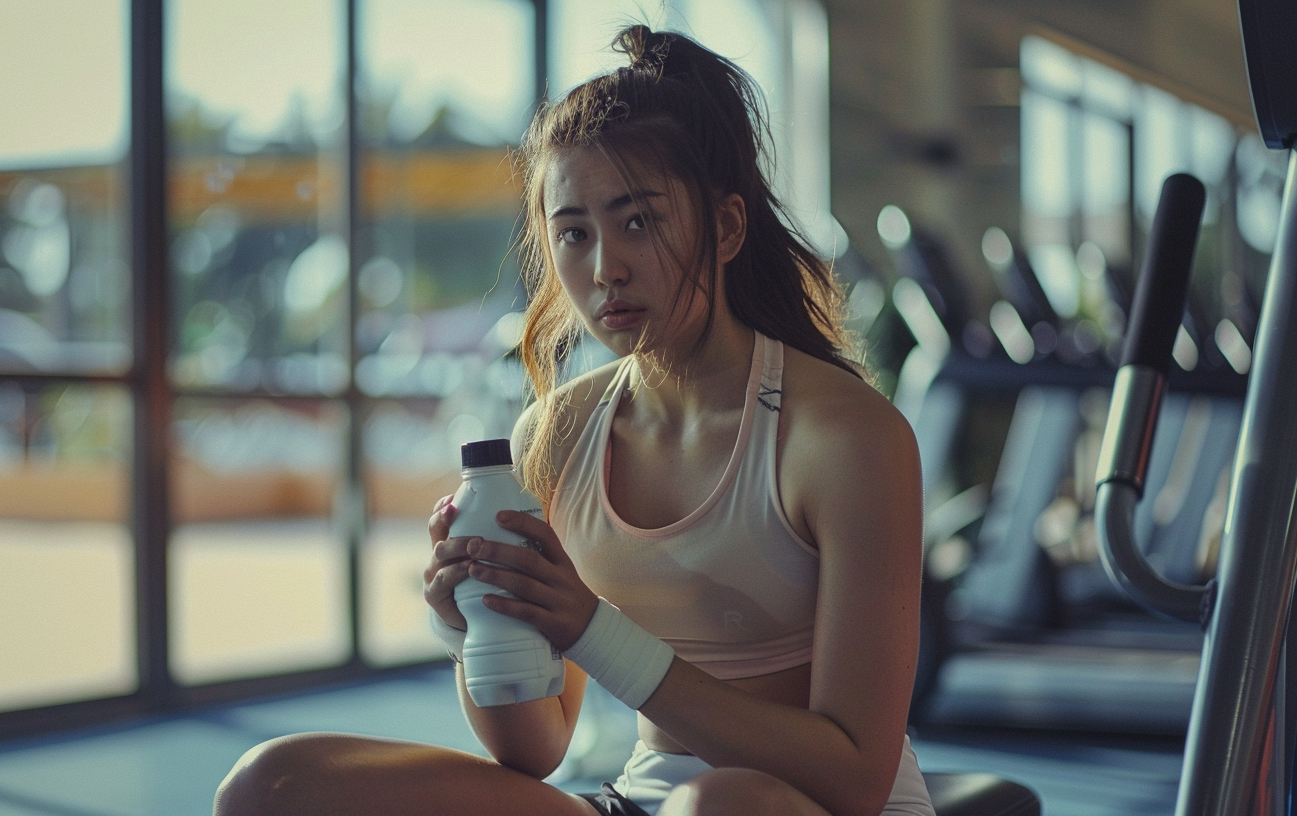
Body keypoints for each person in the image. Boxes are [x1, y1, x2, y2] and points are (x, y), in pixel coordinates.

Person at [215, 25, 933, 816]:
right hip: (640, 802)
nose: (605, 269)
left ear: (727, 228)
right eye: (574, 234)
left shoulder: (844, 438)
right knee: (271, 786)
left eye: (639, 222)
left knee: (721, 808)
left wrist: (592, 629)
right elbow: (535, 748)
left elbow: (856, 778)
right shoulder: (553, 437)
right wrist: (472, 631)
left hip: (803, 809)